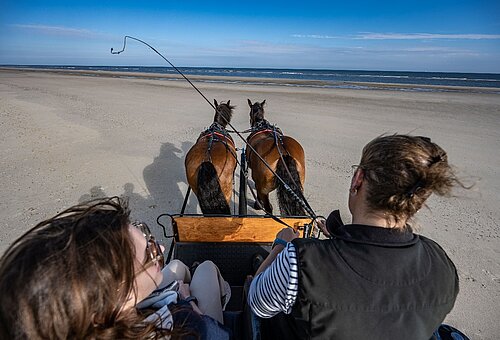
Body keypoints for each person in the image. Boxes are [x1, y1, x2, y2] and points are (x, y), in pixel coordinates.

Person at [248, 134, 461, 340]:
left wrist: (281, 244)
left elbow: (257, 303)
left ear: (357, 180)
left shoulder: (299, 260)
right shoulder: (442, 265)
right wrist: (340, 240)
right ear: (419, 202)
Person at [0, 197, 231, 339]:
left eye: (145, 231)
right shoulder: (194, 329)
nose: (160, 247)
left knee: (178, 265)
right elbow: (218, 335)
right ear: (124, 299)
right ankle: (221, 293)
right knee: (207, 270)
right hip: (183, 313)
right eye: (151, 254)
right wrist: (188, 303)